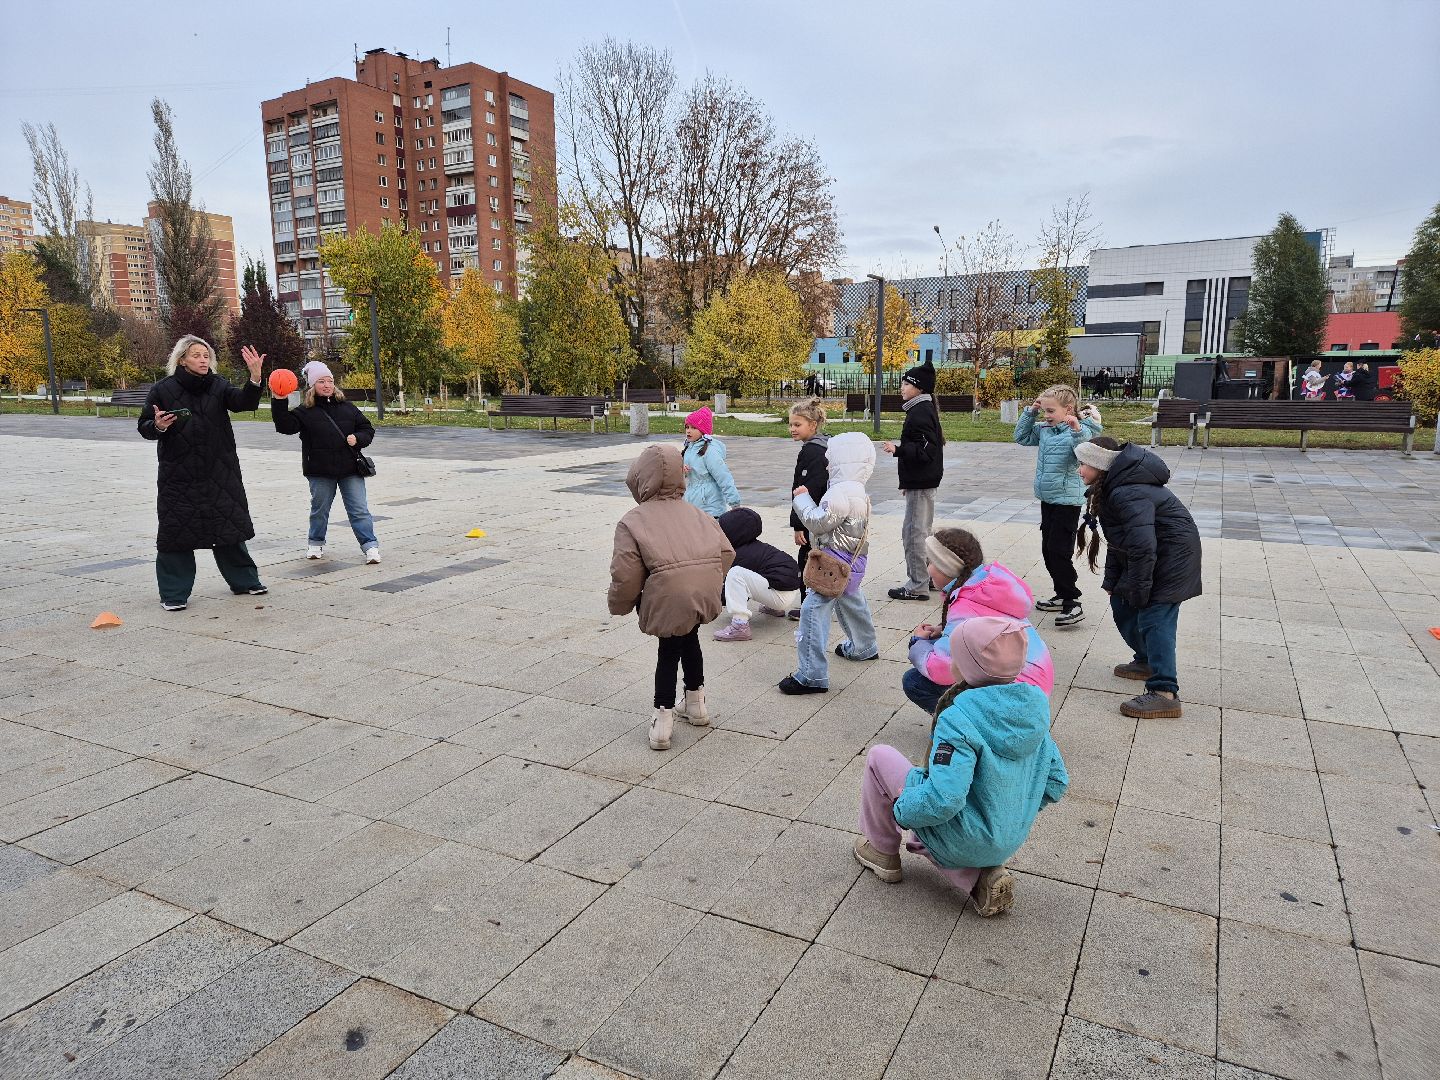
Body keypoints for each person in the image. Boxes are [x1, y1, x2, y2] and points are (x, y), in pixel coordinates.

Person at [853, 615, 1068, 916]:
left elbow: (945, 799)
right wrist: (1015, 810)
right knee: (936, 808)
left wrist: (904, 808)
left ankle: (881, 850)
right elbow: (1057, 781)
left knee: (881, 757)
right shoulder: (1033, 712)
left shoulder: (960, 718)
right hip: (1007, 838)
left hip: (965, 836)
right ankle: (980, 878)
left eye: (954, 654)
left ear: (968, 667)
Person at [608, 444, 734, 750]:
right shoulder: (697, 513)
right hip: (702, 591)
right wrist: (705, 579)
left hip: (666, 594)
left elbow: (625, 573)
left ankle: (662, 720)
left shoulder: (633, 520)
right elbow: (727, 551)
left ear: (640, 478)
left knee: (668, 651)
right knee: (689, 639)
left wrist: (620, 604)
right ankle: (696, 703)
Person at [1074, 435, 1202, 720]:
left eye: (1084, 463)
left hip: (1171, 559)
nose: (1079, 469)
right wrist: (1114, 582)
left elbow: (1143, 546)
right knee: (1122, 605)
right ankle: (1146, 660)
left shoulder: (1127, 492)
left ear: (1101, 465)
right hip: (1151, 555)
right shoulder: (1110, 487)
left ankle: (1164, 693)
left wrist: (1141, 590)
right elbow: (1121, 542)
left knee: (1154, 618)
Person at [138, 337, 268, 611]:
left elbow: (244, 403)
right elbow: (145, 426)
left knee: (228, 527)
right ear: (182, 359)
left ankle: (245, 581)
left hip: (219, 471)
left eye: (206, 355)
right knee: (177, 533)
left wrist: (255, 377)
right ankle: (174, 594)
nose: (203, 360)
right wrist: (159, 425)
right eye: (196, 355)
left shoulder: (218, 385)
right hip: (179, 474)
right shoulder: (163, 389)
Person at [904, 528, 1055, 716]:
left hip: (1014, 704)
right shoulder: (985, 585)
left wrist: (918, 644)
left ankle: (968, 729)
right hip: (1034, 692)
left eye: (931, 562)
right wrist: (942, 630)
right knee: (940, 645)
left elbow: (942, 669)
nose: (927, 568)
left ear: (947, 567)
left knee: (915, 682)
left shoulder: (964, 607)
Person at [780, 431, 879, 694]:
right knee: (851, 598)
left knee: (812, 611)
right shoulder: (858, 489)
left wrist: (801, 499)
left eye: (830, 460)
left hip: (831, 564)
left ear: (842, 462)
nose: (826, 465)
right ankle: (864, 646)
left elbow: (818, 522)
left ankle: (811, 675)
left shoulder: (838, 493)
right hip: (853, 560)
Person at [271, 360, 380, 563]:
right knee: (319, 510)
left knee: (359, 510)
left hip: (350, 469)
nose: (327, 385)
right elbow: (285, 426)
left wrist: (358, 438)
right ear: (312, 386)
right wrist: (279, 399)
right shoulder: (304, 412)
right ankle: (315, 543)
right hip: (320, 470)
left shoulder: (348, 408)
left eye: (329, 381)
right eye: (321, 381)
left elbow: (367, 429)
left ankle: (370, 546)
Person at [1013, 384, 1102, 627]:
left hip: (1067, 501)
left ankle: (1072, 601)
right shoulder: (1044, 430)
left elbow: (1084, 450)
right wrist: (1029, 412)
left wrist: (1075, 429)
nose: (1046, 415)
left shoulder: (1080, 430)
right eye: (1044, 410)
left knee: (1058, 551)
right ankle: (1061, 594)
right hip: (1049, 498)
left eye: (1051, 411)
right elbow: (1020, 437)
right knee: (1047, 549)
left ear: (1069, 409)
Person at [882, 358, 945, 601]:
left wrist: (897, 450)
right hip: (920, 481)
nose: (902, 387)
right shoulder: (922, 409)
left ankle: (917, 585)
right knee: (921, 532)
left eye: (906, 383)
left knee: (913, 534)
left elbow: (925, 451)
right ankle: (927, 577)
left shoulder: (919, 412)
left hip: (922, 482)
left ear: (919, 387)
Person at [712, 508, 802, 641]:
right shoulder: (757, 547)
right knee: (758, 574)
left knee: (735, 574)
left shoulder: (738, 555)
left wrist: (713, 601)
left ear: (732, 533)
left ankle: (740, 626)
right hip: (790, 590)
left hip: (779, 595)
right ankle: (773, 608)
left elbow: (733, 590)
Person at [787, 396, 830, 619]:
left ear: (812, 425)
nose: (792, 428)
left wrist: (798, 525)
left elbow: (804, 489)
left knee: (807, 560)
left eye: (797, 424)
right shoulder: (823, 446)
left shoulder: (811, 451)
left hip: (811, 518)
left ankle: (809, 607)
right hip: (821, 515)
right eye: (791, 424)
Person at [681, 407, 740, 517]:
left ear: (703, 430)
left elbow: (723, 477)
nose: (688, 430)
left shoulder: (710, 451)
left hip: (710, 505)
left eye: (693, 428)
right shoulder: (688, 448)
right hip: (692, 501)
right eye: (687, 427)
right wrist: (681, 469)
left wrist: (735, 503)